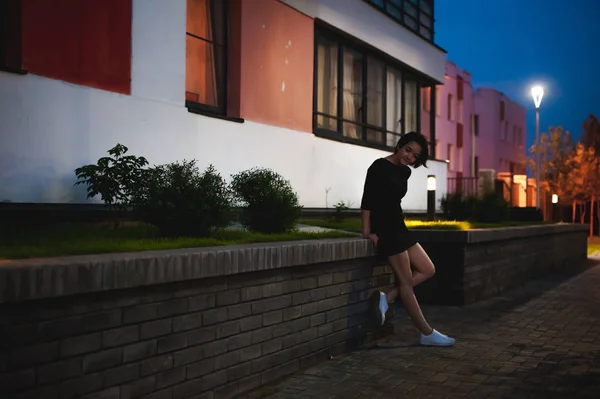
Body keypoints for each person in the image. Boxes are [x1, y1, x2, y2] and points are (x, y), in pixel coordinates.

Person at [360, 131, 455, 347]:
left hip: (399, 226)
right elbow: (367, 201)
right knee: (406, 283)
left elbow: (394, 201)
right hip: (385, 229)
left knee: (428, 269)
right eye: (408, 150)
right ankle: (426, 333)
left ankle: (387, 298)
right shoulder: (378, 167)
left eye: (415, 156)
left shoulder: (405, 173)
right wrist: (367, 231)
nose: (409, 157)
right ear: (400, 146)